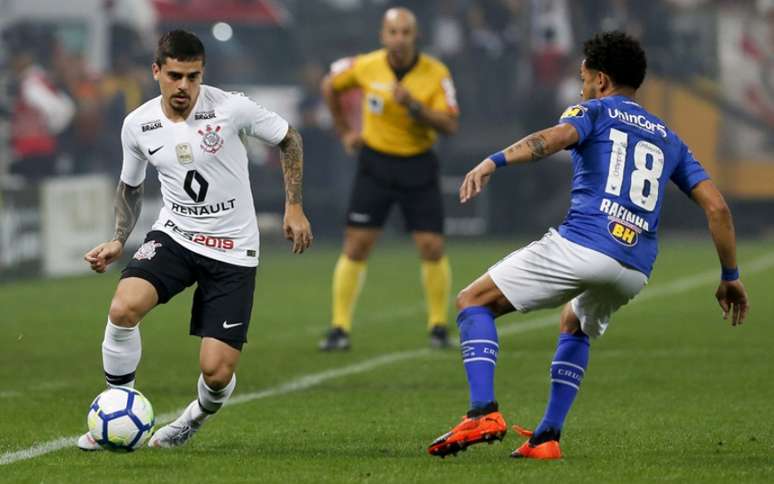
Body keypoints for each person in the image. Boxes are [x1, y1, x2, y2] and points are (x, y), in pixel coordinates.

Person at [427, 31, 749, 460]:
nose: (580, 86)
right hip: (634, 268)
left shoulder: (592, 110)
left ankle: (482, 411)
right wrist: (730, 276)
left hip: (584, 245)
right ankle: (546, 439)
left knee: (474, 301)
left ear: (600, 79)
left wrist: (494, 161)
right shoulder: (670, 138)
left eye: (582, 77)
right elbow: (718, 209)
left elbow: (556, 139)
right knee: (574, 323)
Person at [77, 30, 312, 450]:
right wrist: (118, 239)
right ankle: (118, 406)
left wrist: (293, 205)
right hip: (177, 236)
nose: (184, 86)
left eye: (193, 76)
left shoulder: (232, 108)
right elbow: (130, 186)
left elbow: (289, 137)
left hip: (234, 249)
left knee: (217, 373)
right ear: (157, 72)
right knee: (123, 306)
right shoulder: (138, 124)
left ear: (202, 73)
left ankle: (193, 419)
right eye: (175, 76)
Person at [318, 7, 460, 351]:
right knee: (356, 245)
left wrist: (415, 107)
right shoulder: (367, 65)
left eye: (405, 32)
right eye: (392, 32)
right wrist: (344, 131)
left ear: (416, 36)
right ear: (383, 36)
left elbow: (450, 124)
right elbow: (330, 86)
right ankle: (339, 328)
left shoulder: (435, 73)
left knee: (431, 246)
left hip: (418, 165)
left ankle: (438, 326)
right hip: (376, 164)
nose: (399, 38)